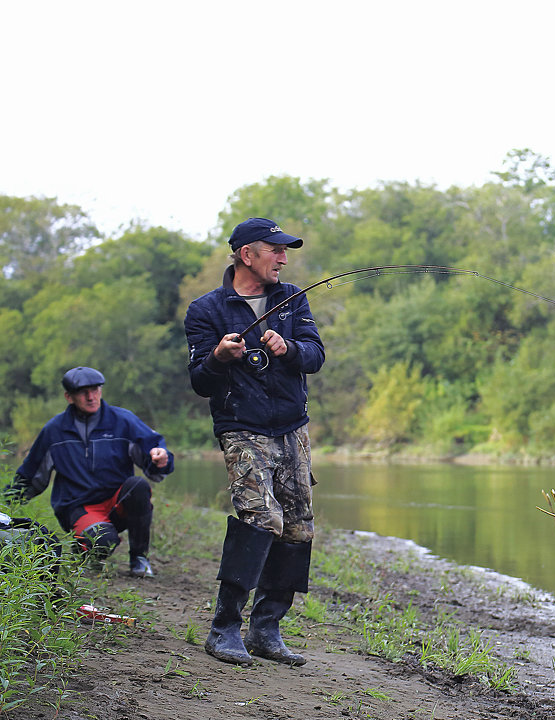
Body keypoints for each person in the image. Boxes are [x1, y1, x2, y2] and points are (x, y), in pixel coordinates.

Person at [184, 217, 325, 667]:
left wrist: (289, 349)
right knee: (261, 519)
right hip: (241, 427)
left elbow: (316, 355)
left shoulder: (292, 298)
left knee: (299, 525)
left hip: (293, 427)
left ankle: (267, 629)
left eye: (286, 251)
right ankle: (224, 628)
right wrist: (218, 358)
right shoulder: (206, 310)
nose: (284, 258)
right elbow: (201, 382)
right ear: (247, 254)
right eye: (275, 250)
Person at [4, 366, 173, 577]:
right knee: (102, 542)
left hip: (115, 502)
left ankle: (139, 557)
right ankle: (84, 547)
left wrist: (160, 458)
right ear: (69, 397)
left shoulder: (123, 420)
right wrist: (4, 503)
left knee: (138, 486)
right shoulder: (54, 430)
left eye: (95, 390)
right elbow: (31, 477)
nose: (91, 397)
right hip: (78, 506)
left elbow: (154, 453)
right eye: (83, 392)